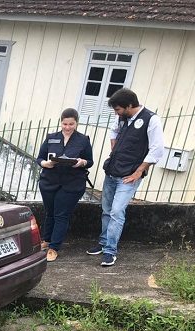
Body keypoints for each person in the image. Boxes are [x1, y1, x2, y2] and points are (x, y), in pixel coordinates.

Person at [86, 88, 164, 266]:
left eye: (118, 109)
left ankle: (110, 251)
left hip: (129, 177)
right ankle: (103, 242)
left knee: (116, 212)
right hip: (112, 171)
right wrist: (115, 149)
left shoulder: (151, 119)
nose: (116, 113)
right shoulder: (122, 117)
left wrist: (139, 171)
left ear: (129, 106)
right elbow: (113, 132)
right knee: (106, 210)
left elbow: (157, 149)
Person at [36, 108, 93, 262]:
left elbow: (90, 161)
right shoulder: (51, 138)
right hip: (50, 180)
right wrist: (45, 163)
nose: (67, 127)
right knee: (50, 212)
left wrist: (82, 162)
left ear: (76, 123)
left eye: (71, 124)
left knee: (61, 214)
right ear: (61, 122)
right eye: (65, 124)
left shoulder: (83, 140)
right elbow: (40, 157)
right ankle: (46, 240)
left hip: (72, 183)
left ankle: (54, 247)